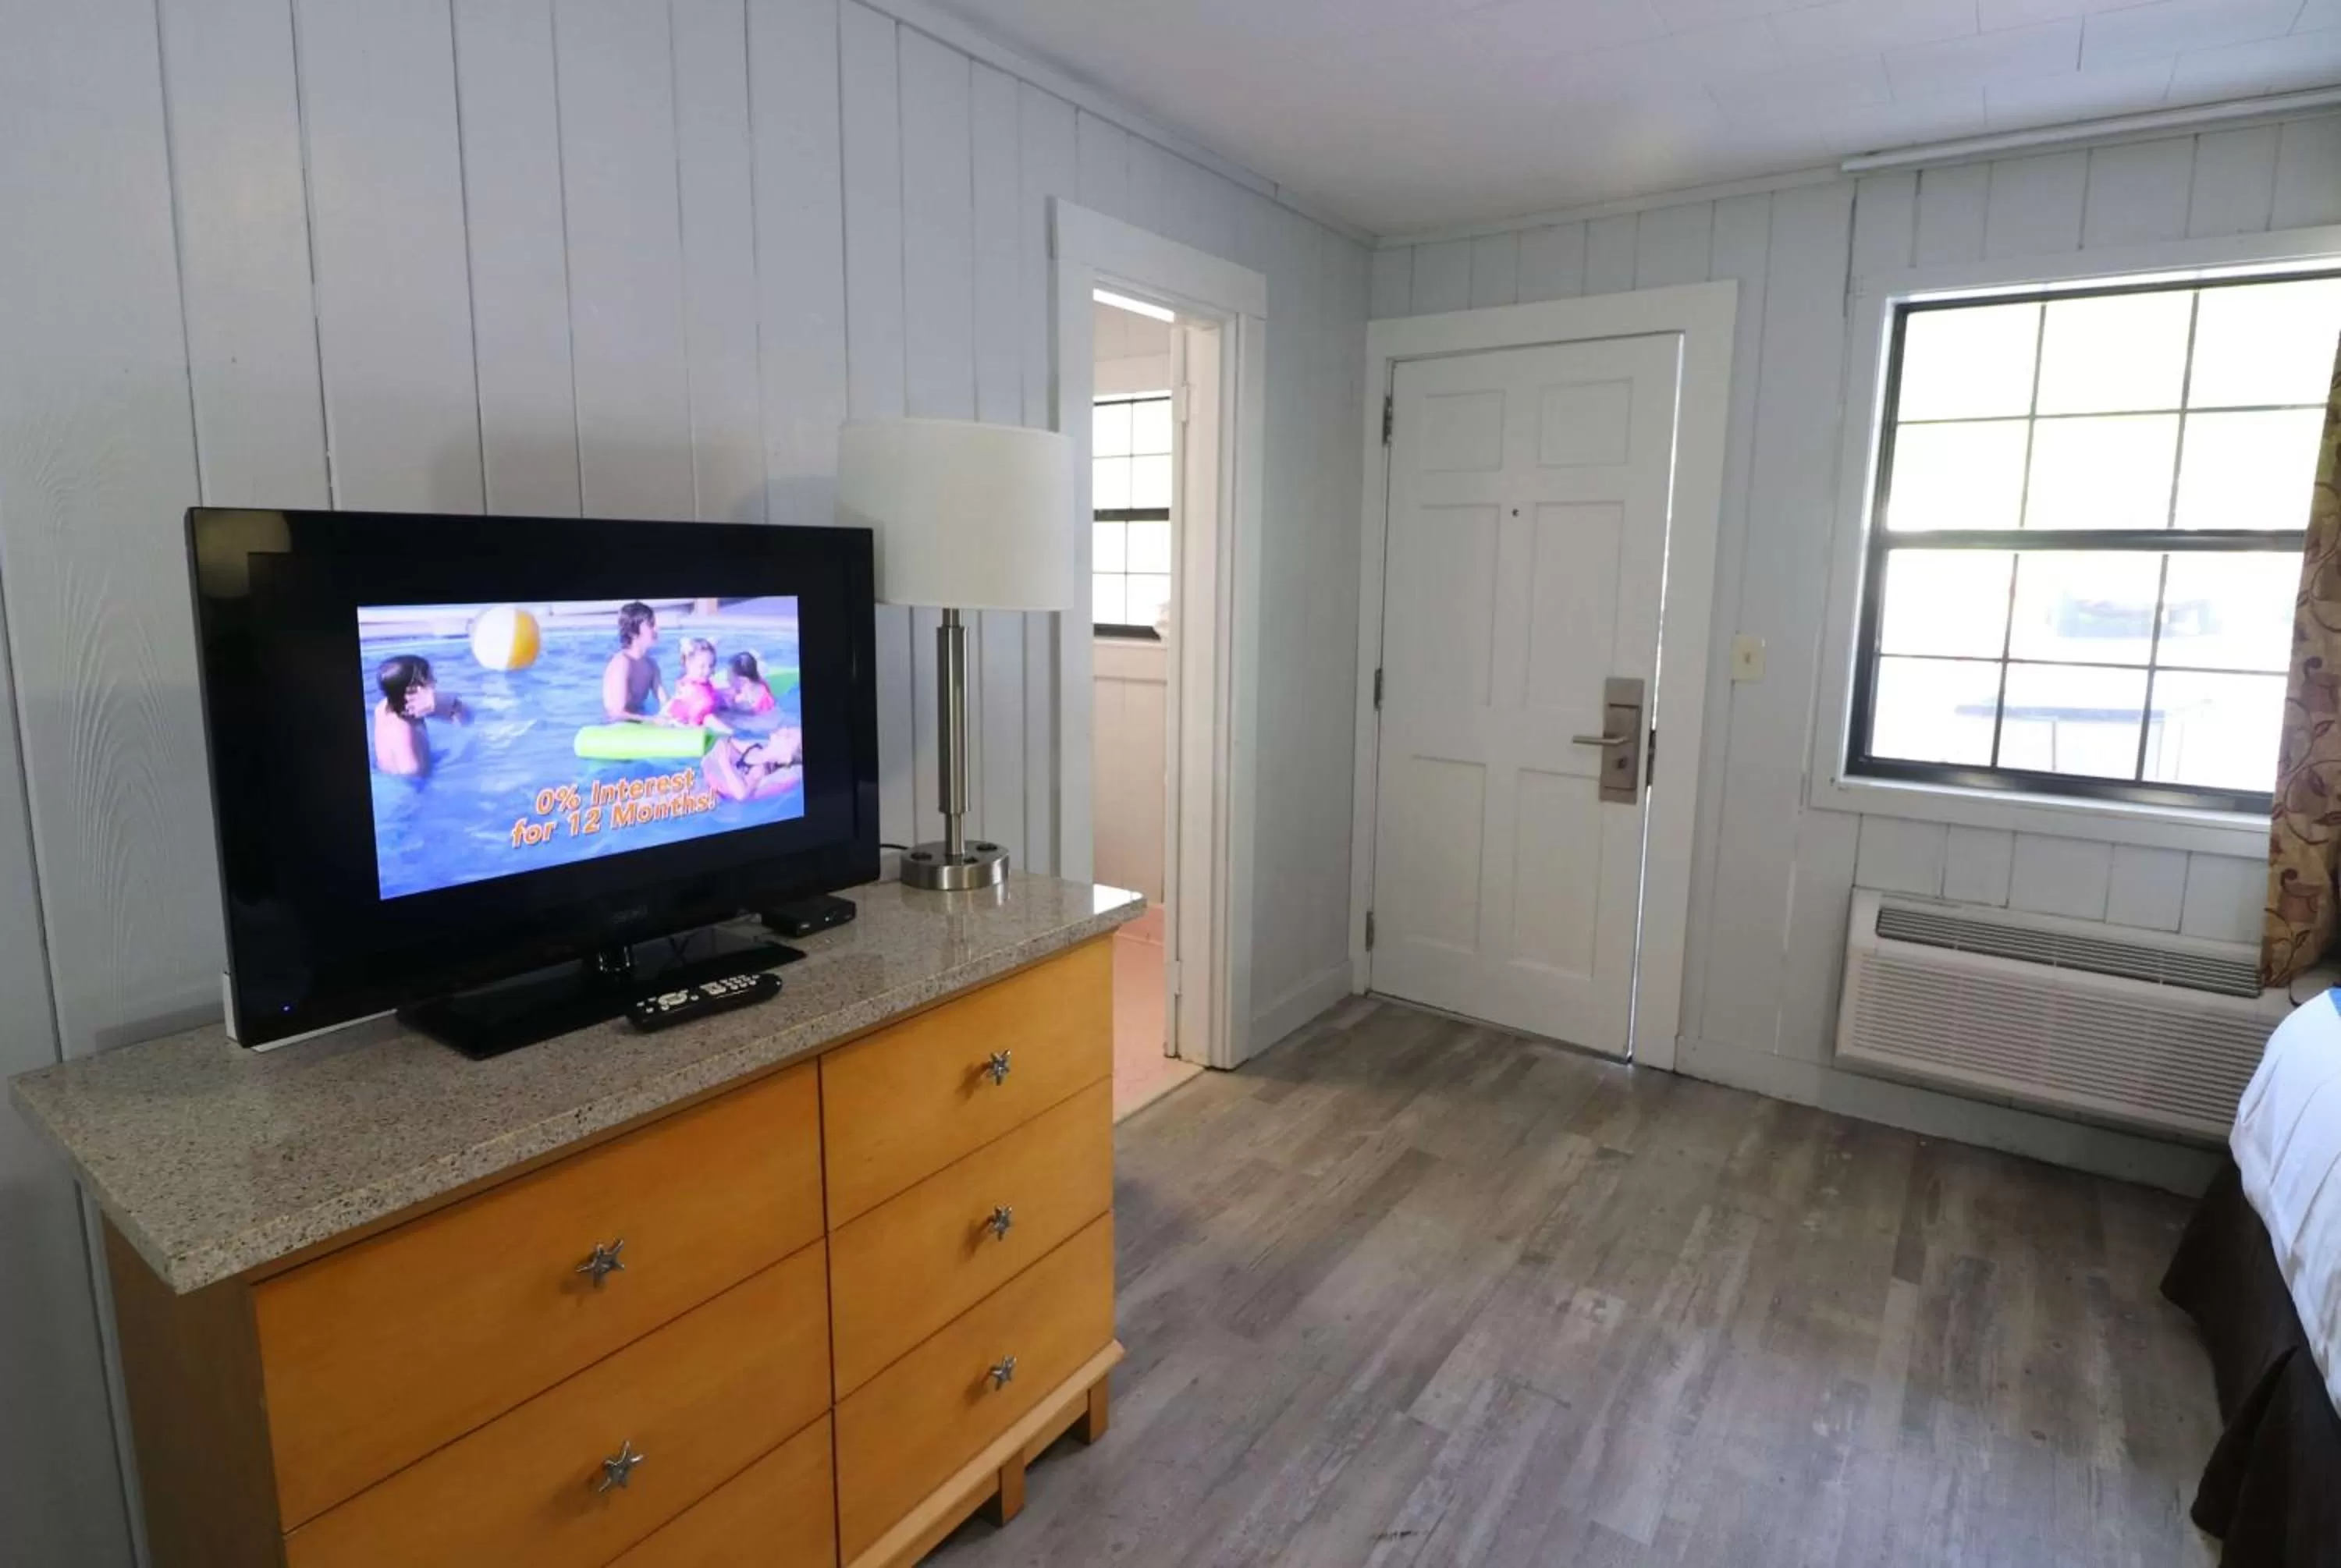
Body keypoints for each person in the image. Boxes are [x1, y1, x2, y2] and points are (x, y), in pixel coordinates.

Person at [372, 655, 468, 776]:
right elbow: (411, 770)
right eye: (430, 678)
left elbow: (461, 715)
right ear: (414, 689)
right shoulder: (404, 730)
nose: (435, 681)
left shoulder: (383, 707)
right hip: (410, 786)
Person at [601, 601, 665, 722]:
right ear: (633, 633)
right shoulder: (623, 663)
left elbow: (666, 702)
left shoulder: (651, 666)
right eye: (651, 625)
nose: (657, 628)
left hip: (638, 721)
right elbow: (616, 713)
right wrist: (651, 720)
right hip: (615, 727)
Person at [665, 637, 732, 732]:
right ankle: (732, 735)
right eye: (702, 666)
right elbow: (691, 713)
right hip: (682, 725)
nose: (707, 671)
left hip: (700, 719)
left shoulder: (702, 682)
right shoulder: (687, 687)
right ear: (688, 664)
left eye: (711, 666)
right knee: (710, 719)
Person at [724, 651, 776, 715]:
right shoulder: (762, 683)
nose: (728, 679)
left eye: (730, 677)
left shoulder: (743, 701)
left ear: (743, 680)